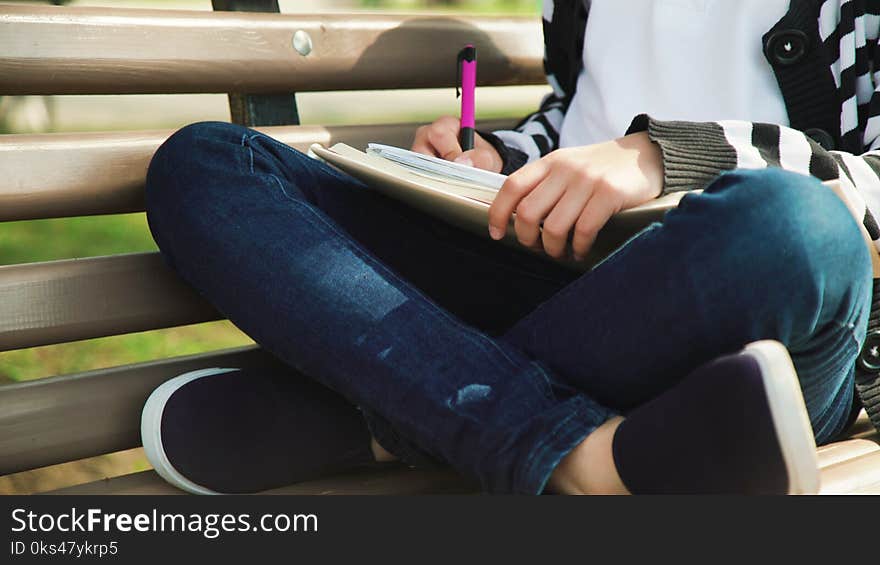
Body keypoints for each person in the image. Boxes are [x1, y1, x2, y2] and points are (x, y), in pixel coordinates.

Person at [138, 0, 880, 495]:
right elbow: (578, 109)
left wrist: (664, 155)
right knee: (208, 166)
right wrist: (502, 157)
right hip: (555, 278)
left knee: (796, 227)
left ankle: (388, 420)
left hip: (753, 315)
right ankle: (586, 459)